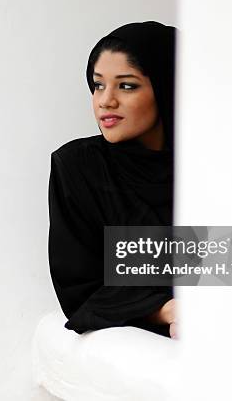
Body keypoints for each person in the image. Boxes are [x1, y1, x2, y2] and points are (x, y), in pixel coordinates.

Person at [48, 21, 178, 339]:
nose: (105, 100)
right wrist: (165, 309)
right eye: (97, 85)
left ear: (166, 86)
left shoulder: (215, 167)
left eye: (127, 85)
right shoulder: (78, 168)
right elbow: (81, 293)